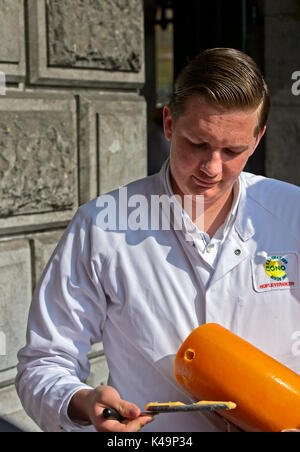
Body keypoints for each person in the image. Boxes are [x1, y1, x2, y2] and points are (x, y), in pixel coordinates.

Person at [16, 48, 300, 433]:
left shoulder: (293, 213)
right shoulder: (102, 226)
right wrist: (82, 402)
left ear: (258, 139)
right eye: (197, 143)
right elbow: (43, 363)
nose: (212, 168)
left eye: (234, 151)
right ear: (169, 123)